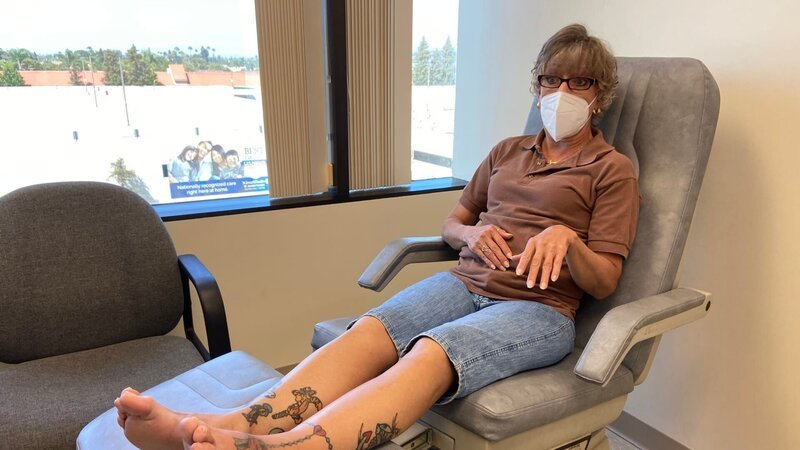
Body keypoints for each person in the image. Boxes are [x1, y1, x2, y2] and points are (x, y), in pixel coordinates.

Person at [115, 24, 639, 450]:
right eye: (551, 80)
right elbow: (452, 222)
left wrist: (567, 240)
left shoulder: (611, 170)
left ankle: (288, 447)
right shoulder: (507, 151)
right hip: (465, 283)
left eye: (579, 82)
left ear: (600, 96)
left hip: (539, 308)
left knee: (432, 351)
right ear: (538, 86)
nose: (561, 93)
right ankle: (231, 425)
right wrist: (471, 234)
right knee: (369, 331)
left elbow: (605, 280)